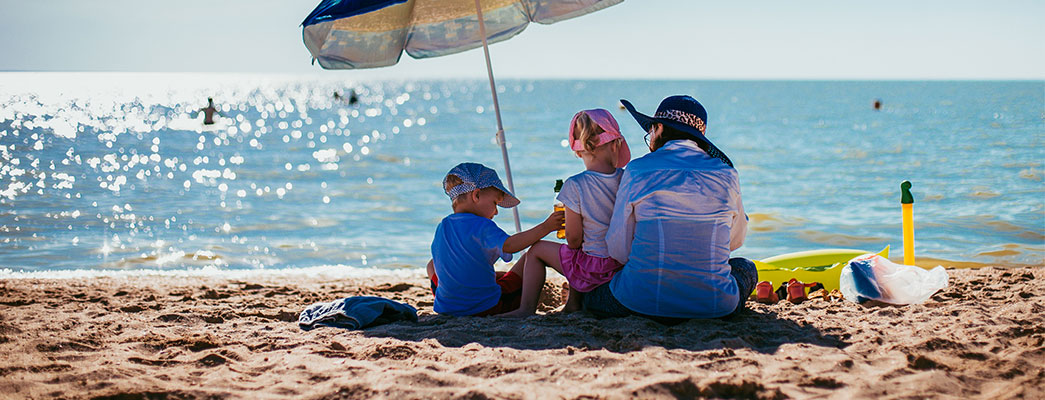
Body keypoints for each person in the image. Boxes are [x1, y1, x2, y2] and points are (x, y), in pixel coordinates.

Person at [583, 95, 756, 325]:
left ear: (660, 128)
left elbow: (618, 248)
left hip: (641, 303)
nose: (650, 138)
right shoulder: (726, 174)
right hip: (714, 306)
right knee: (745, 267)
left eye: (651, 131)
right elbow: (734, 242)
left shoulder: (638, 170)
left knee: (591, 293)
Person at [501, 109, 631, 318]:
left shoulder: (575, 185)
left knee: (538, 250)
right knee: (579, 254)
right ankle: (573, 303)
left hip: (594, 267)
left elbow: (573, 239)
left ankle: (525, 309)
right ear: (616, 144)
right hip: (621, 265)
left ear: (578, 152)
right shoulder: (627, 179)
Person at [426, 162, 565, 317]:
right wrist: (546, 227)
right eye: (495, 203)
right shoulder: (481, 225)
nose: (496, 212)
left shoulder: (442, 226)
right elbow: (510, 245)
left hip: (448, 307)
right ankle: (525, 310)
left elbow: (466, 264)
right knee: (530, 256)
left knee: (432, 265)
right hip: (485, 307)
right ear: (476, 195)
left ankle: (454, 301)